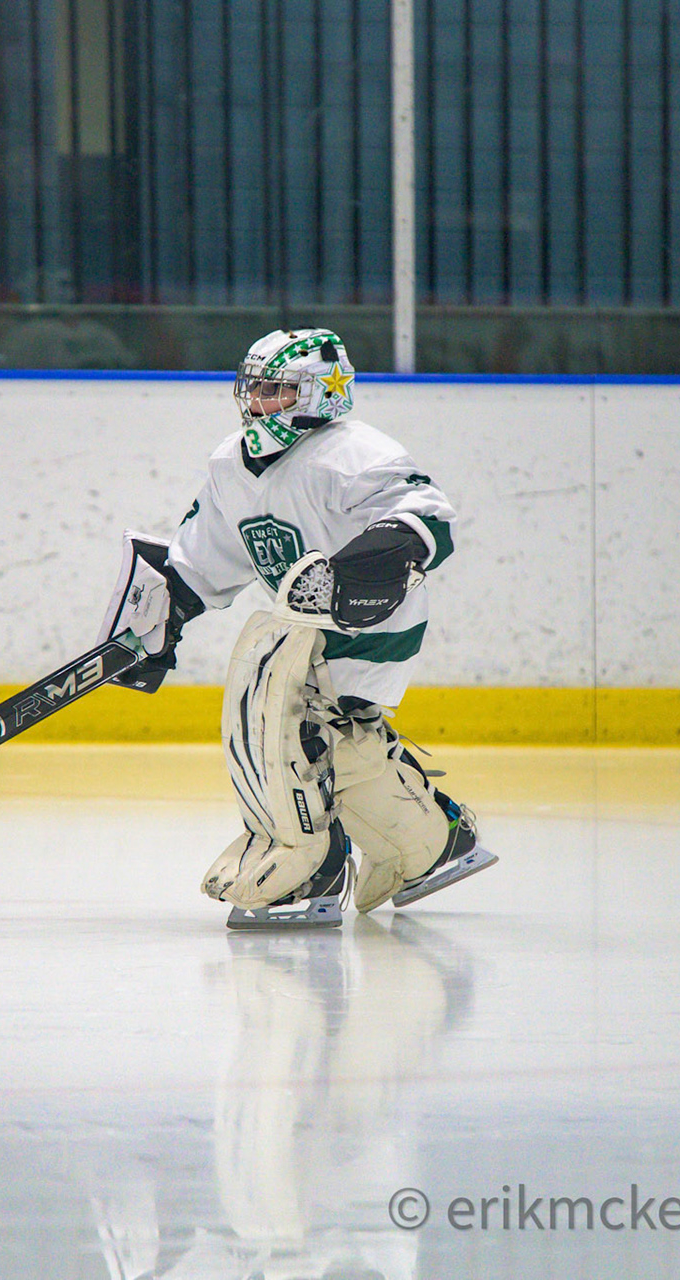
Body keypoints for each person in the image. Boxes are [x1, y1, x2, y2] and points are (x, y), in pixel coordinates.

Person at [95, 328, 497, 928]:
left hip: (371, 622)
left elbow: (427, 518)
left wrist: (362, 570)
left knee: (285, 725)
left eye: (276, 390)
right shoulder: (232, 463)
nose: (258, 401)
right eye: (253, 388)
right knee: (340, 745)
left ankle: (310, 866)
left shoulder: (353, 452)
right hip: (301, 624)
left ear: (319, 393)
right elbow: (206, 555)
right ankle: (433, 843)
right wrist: (163, 615)